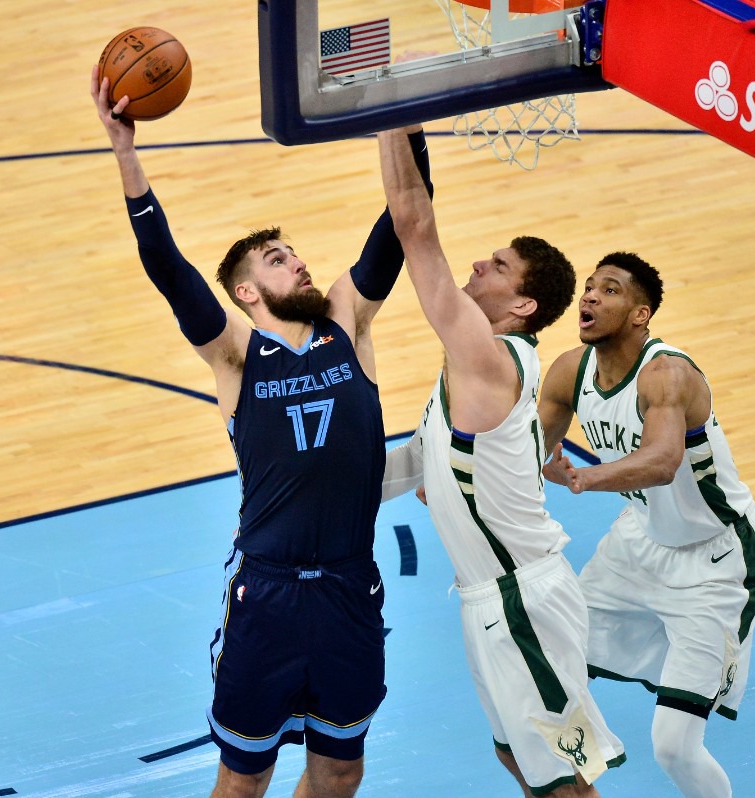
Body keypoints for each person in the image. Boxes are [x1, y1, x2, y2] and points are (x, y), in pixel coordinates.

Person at [90, 67, 432, 798]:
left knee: (341, 771)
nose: (300, 261)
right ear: (247, 292)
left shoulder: (348, 322)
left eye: (297, 254)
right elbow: (168, 270)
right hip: (267, 595)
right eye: (279, 260)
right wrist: (125, 150)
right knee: (244, 781)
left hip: (346, 583)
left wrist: (396, 104)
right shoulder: (237, 355)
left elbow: (405, 218)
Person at [375, 129, 626, 796]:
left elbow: (413, 227)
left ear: (523, 306)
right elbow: (417, 465)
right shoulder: (465, 372)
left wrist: (386, 108)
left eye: (499, 266)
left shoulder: (491, 360)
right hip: (491, 600)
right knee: (518, 759)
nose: (481, 266)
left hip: (523, 602)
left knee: (565, 778)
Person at [537, 254, 755, 798]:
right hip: (638, 540)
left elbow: (662, 462)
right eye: (589, 287)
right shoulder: (570, 370)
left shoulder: (667, 374)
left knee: (673, 745)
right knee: (547, 664)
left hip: (714, 557)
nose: (589, 297)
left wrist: (582, 479)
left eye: (609, 290)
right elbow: (529, 449)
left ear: (640, 314)